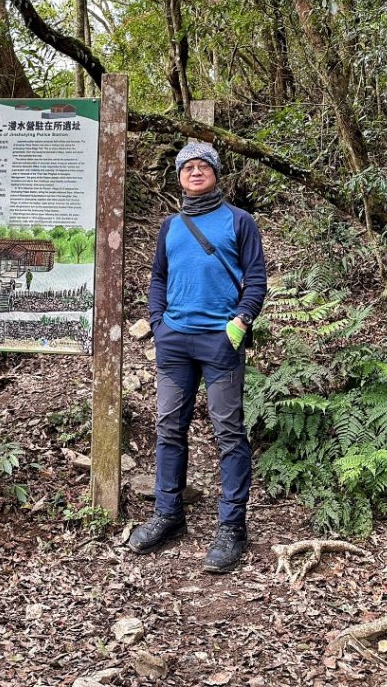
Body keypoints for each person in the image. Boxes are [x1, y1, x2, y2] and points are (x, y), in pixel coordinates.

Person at [128, 142, 267, 572]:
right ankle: (168, 515)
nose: (194, 172)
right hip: (175, 341)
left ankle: (232, 528)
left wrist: (242, 320)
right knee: (168, 427)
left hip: (220, 341)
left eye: (202, 166)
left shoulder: (239, 222)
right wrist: (157, 321)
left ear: (216, 173)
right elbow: (158, 277)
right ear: (178, 177)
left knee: (228, 432)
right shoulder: (170, 225)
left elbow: (257, 278)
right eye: (187, 167)